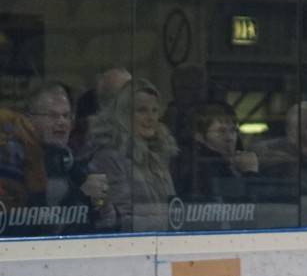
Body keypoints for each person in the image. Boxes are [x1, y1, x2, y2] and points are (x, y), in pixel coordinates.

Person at [1, 84, 107, 235]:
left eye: (66, 115)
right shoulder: (10, 160)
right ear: (29, 120)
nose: (62, 122)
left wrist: (106, 211)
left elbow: (96, 224)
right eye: (52, 116)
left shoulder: (74, 165)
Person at [83, 77, 178, 234]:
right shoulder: (107, 157)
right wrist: (170, 224)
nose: (150, 118)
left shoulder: (159, 155)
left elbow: (172, 207)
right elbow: (119, 219)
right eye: (142, 110)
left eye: (154, 111)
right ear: (123, 113)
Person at [174, 102, 260, 202]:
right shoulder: (202, 169)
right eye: (221, 131)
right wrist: (250, 174)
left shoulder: (227, 165)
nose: (230, 138)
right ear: (199, 136)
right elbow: (239, 207)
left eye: (233, 130)